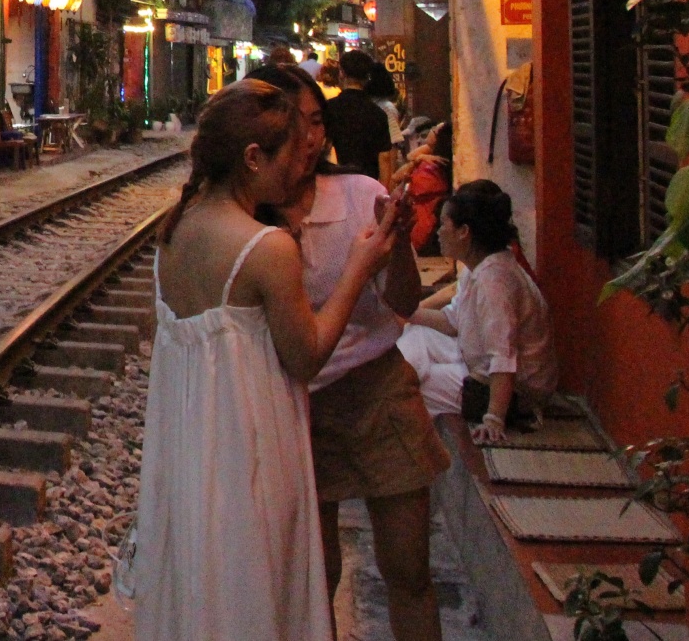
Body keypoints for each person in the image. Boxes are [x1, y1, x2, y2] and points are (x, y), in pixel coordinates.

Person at [122, 79, 398, 641]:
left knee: (206, 587)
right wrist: (360, 267)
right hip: (251, 446)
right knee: (255, 588)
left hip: (195, 451)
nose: (303, 167)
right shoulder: (267, 247)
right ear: (252, 158)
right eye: (291, 155)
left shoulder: (174, 228)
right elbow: (307, 357)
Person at [253, 65, 448, 641]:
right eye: (293, 124)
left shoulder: (362, 192)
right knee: (315, 579)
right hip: (295, 405)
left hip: (378, 392)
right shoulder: (247, 214)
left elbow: (404, 303)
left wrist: (400, 248)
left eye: (316, 120)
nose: (309, 138)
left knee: (409, 568)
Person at [399, 181, 558, 443]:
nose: (438, 232)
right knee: (416, 332)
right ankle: (401, 374)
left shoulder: (494, 281)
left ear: (464, 232)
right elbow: (452, 321)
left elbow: (503, 356)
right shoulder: (481, 268)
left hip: (515, 393)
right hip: (476, 362)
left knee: (410, 390)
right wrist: (404, 313)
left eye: (443, 225)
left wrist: (494, 418)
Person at [323, 49, 397, 184]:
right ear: (367, 77)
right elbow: (384, 157)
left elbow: (324, 147)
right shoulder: (378, 113)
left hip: (337, 182)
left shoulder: (329, 108)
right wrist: (384, 192)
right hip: (368, 183)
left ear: (342, 73)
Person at [392, 121, 453, 253]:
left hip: (422, 226)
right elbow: (409, 159)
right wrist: (419, 158)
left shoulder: (431, 167)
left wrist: (418, 161)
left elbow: (396, 178)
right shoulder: (430, 156)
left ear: (439, 138)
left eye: (434, 130)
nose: (430, 130)